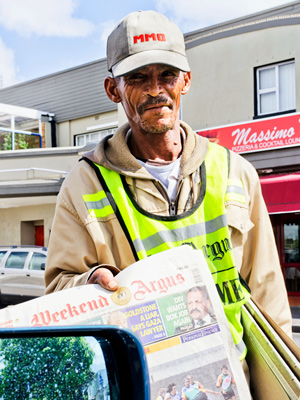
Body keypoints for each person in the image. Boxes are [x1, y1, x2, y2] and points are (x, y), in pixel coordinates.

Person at [45, 9, 292, 362]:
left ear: (186, 81)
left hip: (235, 383)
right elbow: (57, 290)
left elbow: (268, 297)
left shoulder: (235, 171)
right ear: (113, 89)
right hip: (142, 383)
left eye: (167, 75)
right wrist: (89, 284)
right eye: (137, 77)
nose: (155, 90)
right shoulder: (83, 185)